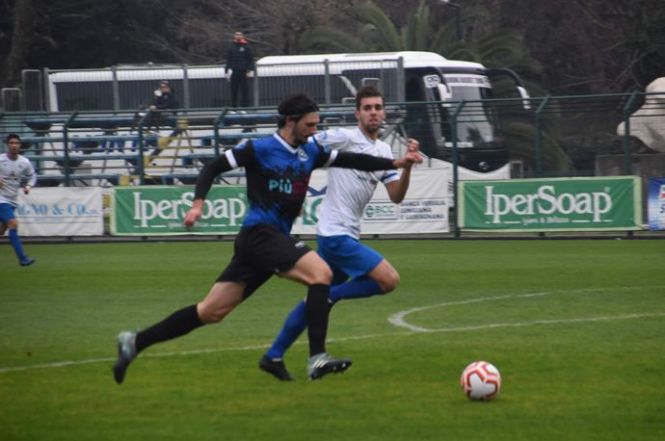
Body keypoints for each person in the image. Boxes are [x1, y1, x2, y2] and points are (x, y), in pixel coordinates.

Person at [112, 92, 422, 384]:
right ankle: (317, 357)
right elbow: (212, 167)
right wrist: (197, 205)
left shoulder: (310, 151)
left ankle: (136, 341)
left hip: (265, 243)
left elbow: (352, 160)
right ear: (291, 121)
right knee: (321, 274)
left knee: (211, 311)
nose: (314, 131)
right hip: (259, 235)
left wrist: (395, 163)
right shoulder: (259, 148)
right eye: (309, 124)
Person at [259, 86, 420, 381]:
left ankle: (273, 355)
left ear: (384, 112)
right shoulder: (344, 137)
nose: (374, 112)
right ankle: (332, 296)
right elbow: (303, 144)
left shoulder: (384, 152)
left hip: (347, 234)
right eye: (368, 107)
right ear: (357, 113)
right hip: (334, 235)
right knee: (388, 280)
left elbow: (396, 196)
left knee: (312, 301)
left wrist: (407, 167)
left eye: (378, 107)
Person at [0, 134, 36, 266]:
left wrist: (28, 186)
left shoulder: (24, 162)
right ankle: (23, 258)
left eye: (17, 143)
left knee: (2, 230)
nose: (14, 145)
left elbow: (32, 176)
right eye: (11, 143)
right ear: (7, 145)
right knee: (13, 223)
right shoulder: (1, 159)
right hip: (0, 198)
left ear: (20, 146)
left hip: (12, 199)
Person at [145, 80, 182, 162]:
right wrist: (155, 99)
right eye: (161, 87)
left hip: (170, 113)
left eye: (165, 87)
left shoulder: (172, 95)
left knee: (154, 113)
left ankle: (152, 130)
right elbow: (157, 103)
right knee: (151, 113)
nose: (163, 89)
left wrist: (157, 108)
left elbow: (167, 105)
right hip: (162, 113)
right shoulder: (161, 95)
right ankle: (150, 130)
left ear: (168, 87)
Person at [224, 31, 255, 108]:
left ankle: (245, 107)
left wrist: (249, 70)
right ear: (234, 36)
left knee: (244, 90)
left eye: (239, 35)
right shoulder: (231, 47)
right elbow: (228, 60)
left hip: (243, 71)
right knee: (234, 90)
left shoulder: (246, 46)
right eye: (236, 35)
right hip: (234, 71)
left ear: (242, 36)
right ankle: (234, 108)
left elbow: (250, 59)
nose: (238, 36)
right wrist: (227, 71)